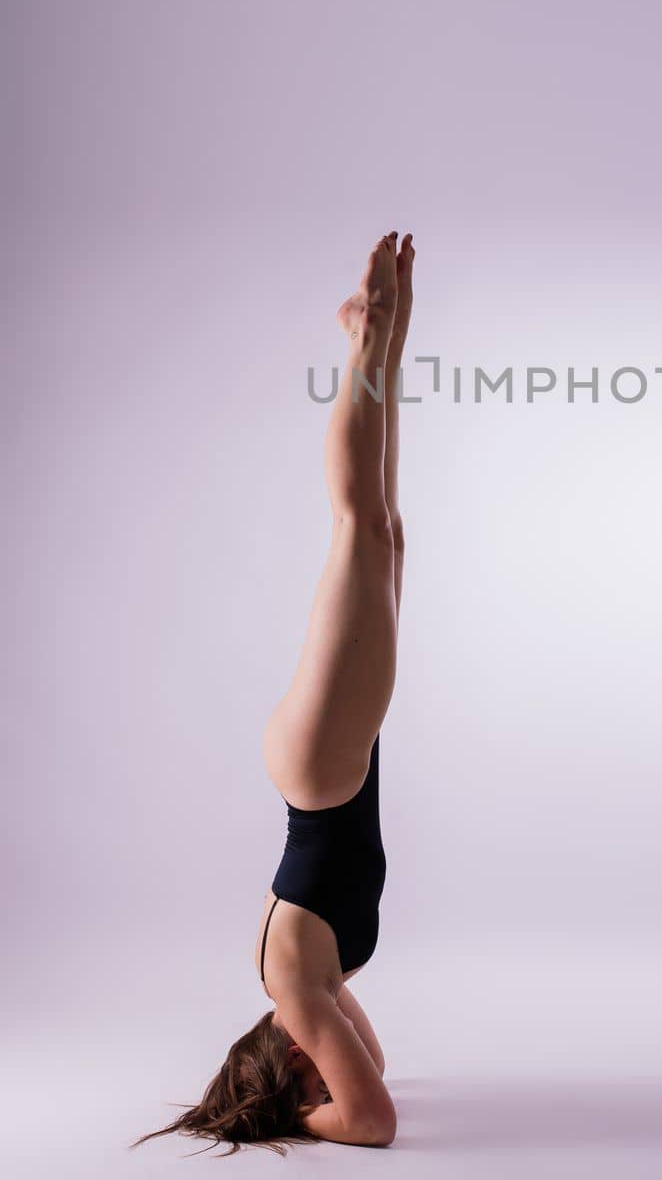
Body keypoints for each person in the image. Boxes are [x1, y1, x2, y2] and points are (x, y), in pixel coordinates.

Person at [132, 231, 414, 1153]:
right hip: (330, 763)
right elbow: (373, 1074)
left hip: (320, 769)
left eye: (303, 1082)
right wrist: (297, 1092)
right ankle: (381, 340)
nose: (325, 1073)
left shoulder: (296, 992)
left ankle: (363, 343)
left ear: (283, 1067)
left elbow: (368, 1121)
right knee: (386, 535)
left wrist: (293, 1115)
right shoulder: (315, 996)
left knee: (354, 526)